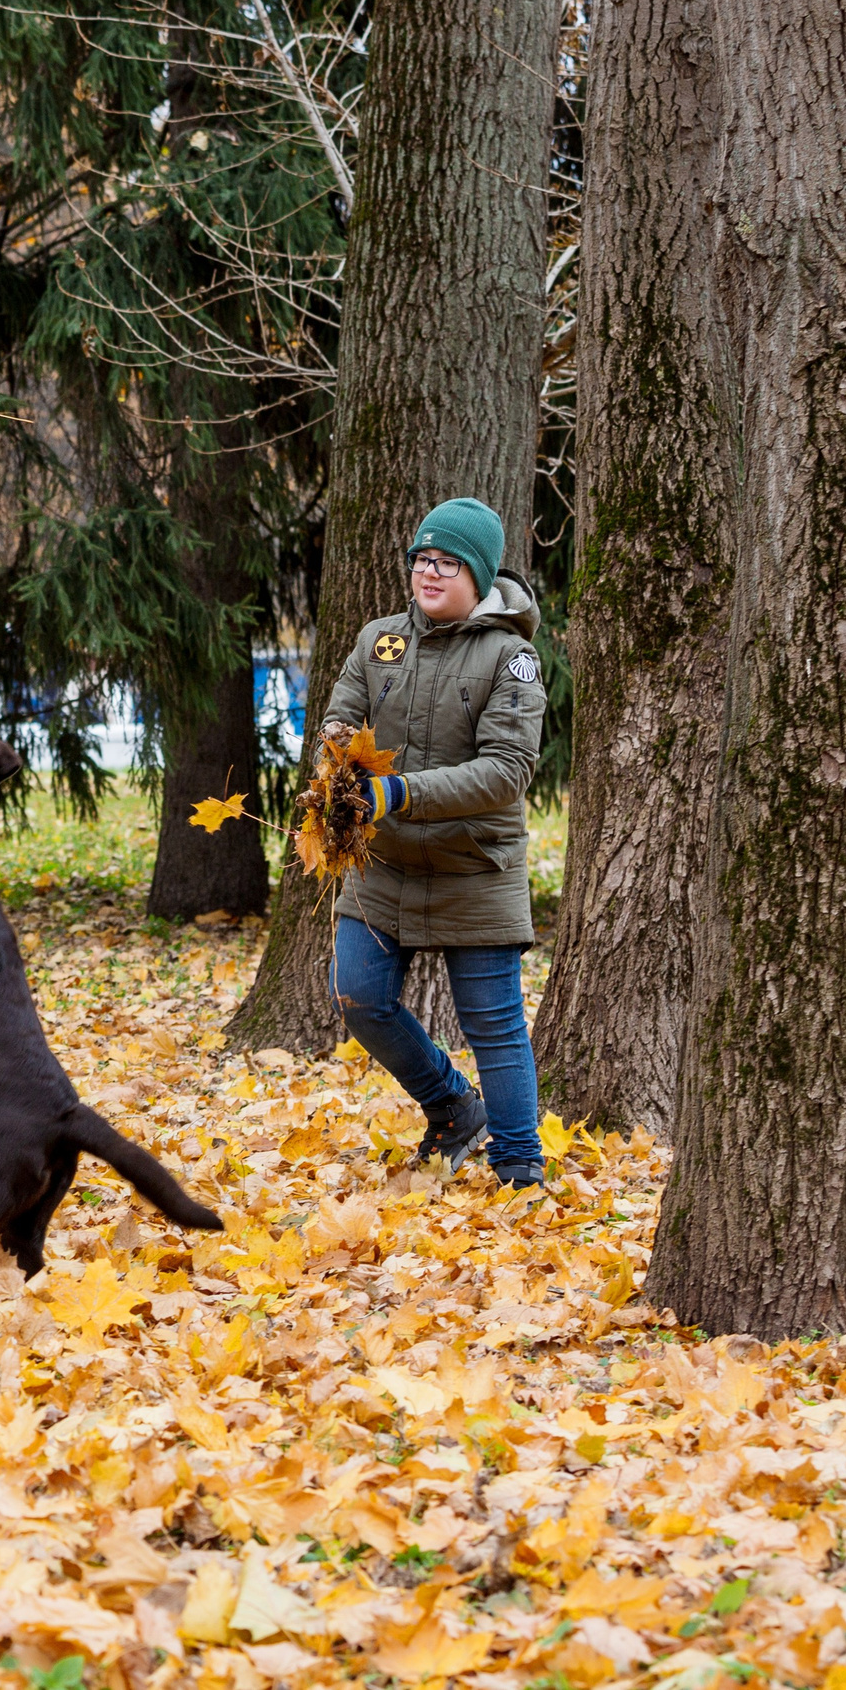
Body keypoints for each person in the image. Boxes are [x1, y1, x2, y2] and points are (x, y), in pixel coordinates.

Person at [320, 496, 548, 1189]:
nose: (429, 572)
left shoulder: (511, 657)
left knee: (493, 1024)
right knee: (359, 995)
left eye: (448, 562)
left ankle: (519, 1167)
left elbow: (507, 770)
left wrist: (398, 793)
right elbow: (340, 717)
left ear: (478, 574)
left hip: (473, 864)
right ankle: (452, 1107)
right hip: (384, 864)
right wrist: (339, 763)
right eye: (422, 558)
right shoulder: (378, 641)